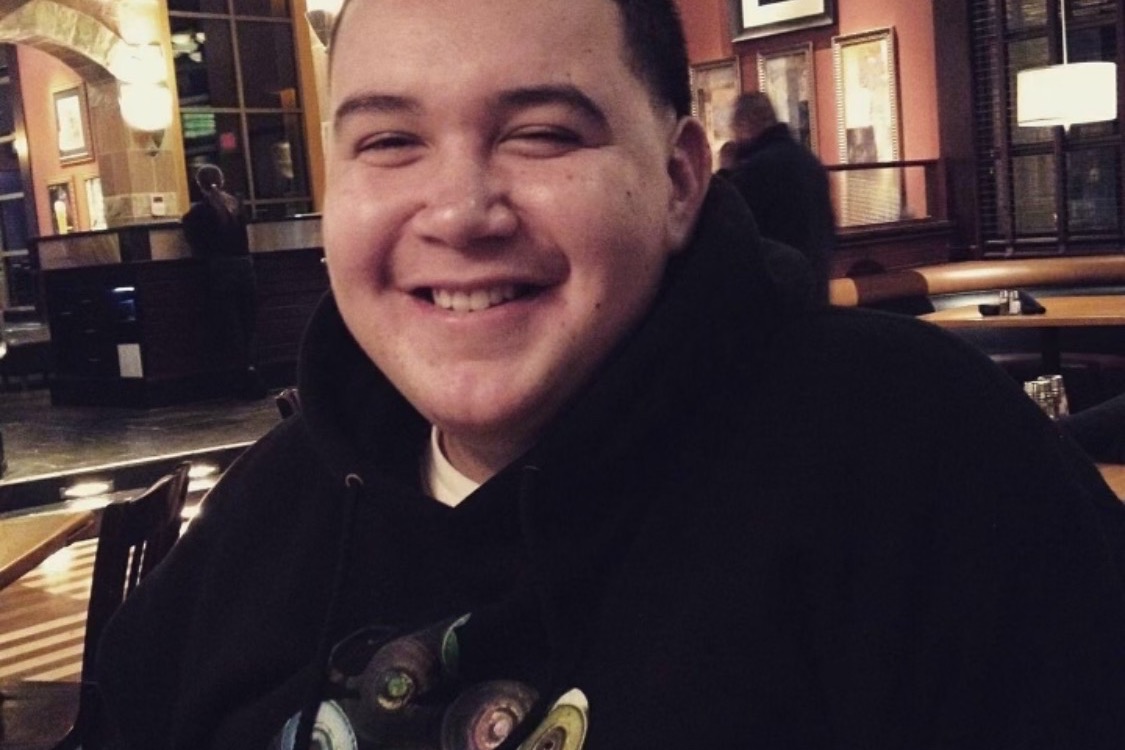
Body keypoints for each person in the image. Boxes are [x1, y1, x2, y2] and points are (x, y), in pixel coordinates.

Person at [97, 0, 1125, 748]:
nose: (458, 211)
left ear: (678, 179)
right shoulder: (269, 510)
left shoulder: (925, 463)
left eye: (541, 134)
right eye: (391, 141)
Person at [725, 91, 835, 303]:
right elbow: (828, 228)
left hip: (773, 299)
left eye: (735, 126)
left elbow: (736, 238)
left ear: (745, 123)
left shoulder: (754, 170)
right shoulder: (809, 162)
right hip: (816, 290)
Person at [181, 163, 264, 399]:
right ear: (223, 180)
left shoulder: (196, 215)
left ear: (199, 185)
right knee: (248, 324)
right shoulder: (237, 207)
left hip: (219, 272)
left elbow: (197, 246)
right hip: (245, 268)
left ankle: (238, 380)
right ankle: (253, 373)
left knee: (229, 326)